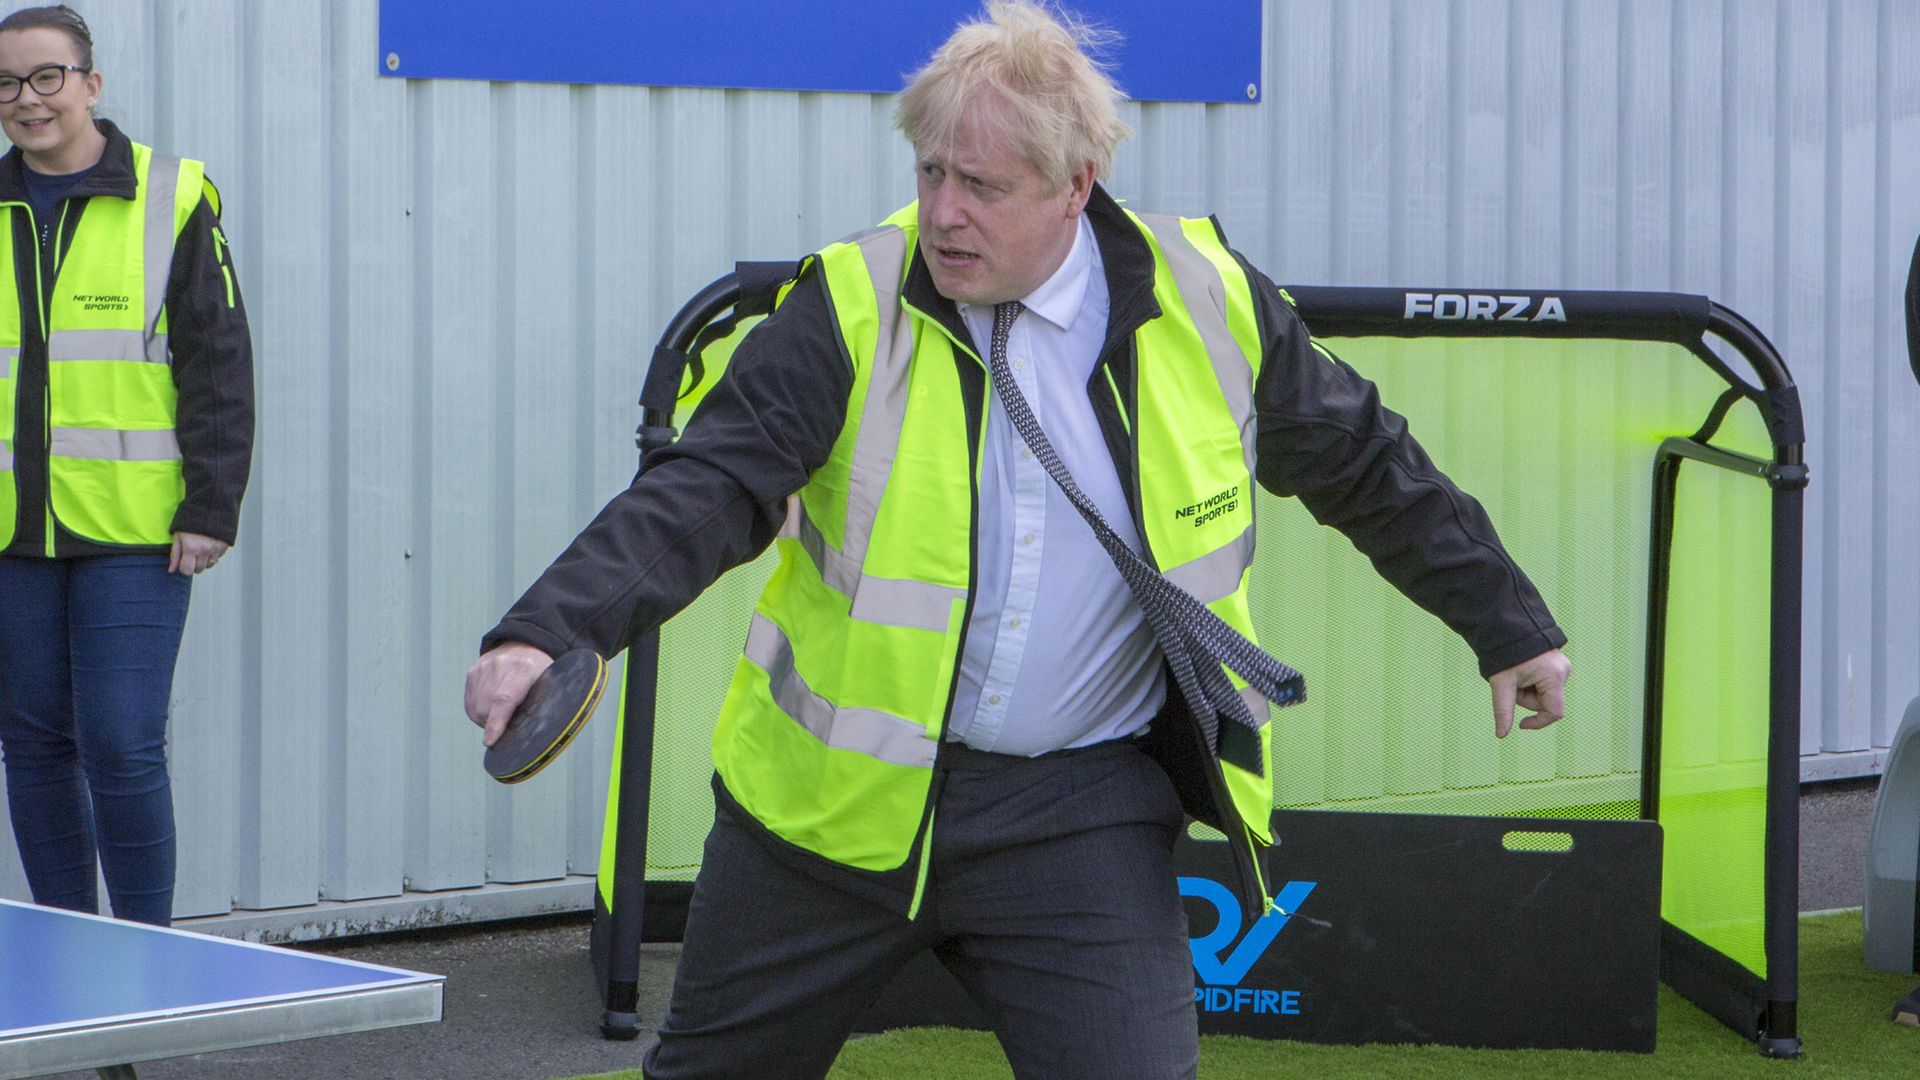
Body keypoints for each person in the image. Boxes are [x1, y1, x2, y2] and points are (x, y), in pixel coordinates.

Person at [465, 3, 1568, 1076]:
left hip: (1077, 815)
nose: (944, 212)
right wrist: (553, 628)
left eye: (982, 186)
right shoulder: (851, 305)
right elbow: (707, 485)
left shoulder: (1210, 305)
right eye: (930, 172)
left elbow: (1366, 462)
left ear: (1076, 188)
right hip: (822, 823)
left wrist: (1506, 621)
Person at [0, 4, 253, 928]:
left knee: (121, 740)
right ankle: (67, 952)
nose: (27, 100)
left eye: (46, 77)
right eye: (6, 84)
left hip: (138, 533)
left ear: (90, 85)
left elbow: (219, 365)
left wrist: (211, 507)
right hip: (13, 534)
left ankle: (146, 960)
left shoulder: (172, 195)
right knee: (31, 745)